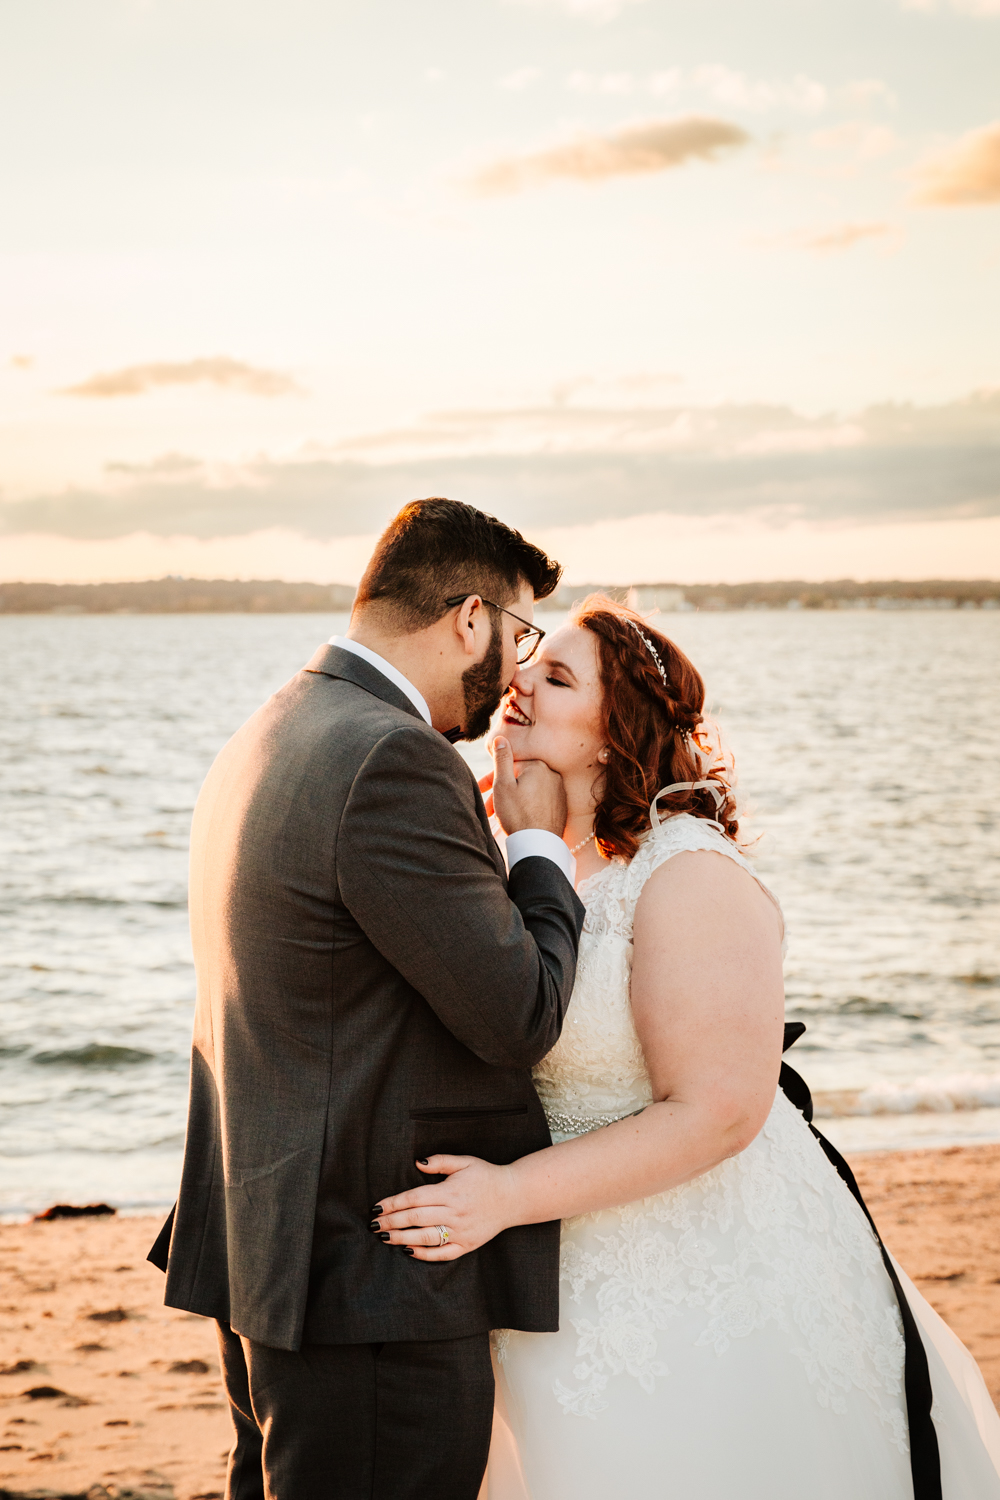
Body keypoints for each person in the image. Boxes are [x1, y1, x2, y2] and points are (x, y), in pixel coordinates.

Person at [371, 594, 1000, 1500]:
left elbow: (719, 1112)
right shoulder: (528, 861)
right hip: (555, 1289)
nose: (518, 683)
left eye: (556, 677)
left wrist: (505, 1195)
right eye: (529, 666)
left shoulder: (684, 868)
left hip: (712, 1280)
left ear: (611, 728)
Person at [147, 498, 587, 1500]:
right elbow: (520, 1012)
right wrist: (536, 848)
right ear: (469, 618)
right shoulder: (393, 757)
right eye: (520, 634)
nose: (518, 668)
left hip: (271, 1255)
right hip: (369, 1283)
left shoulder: (274, 728)